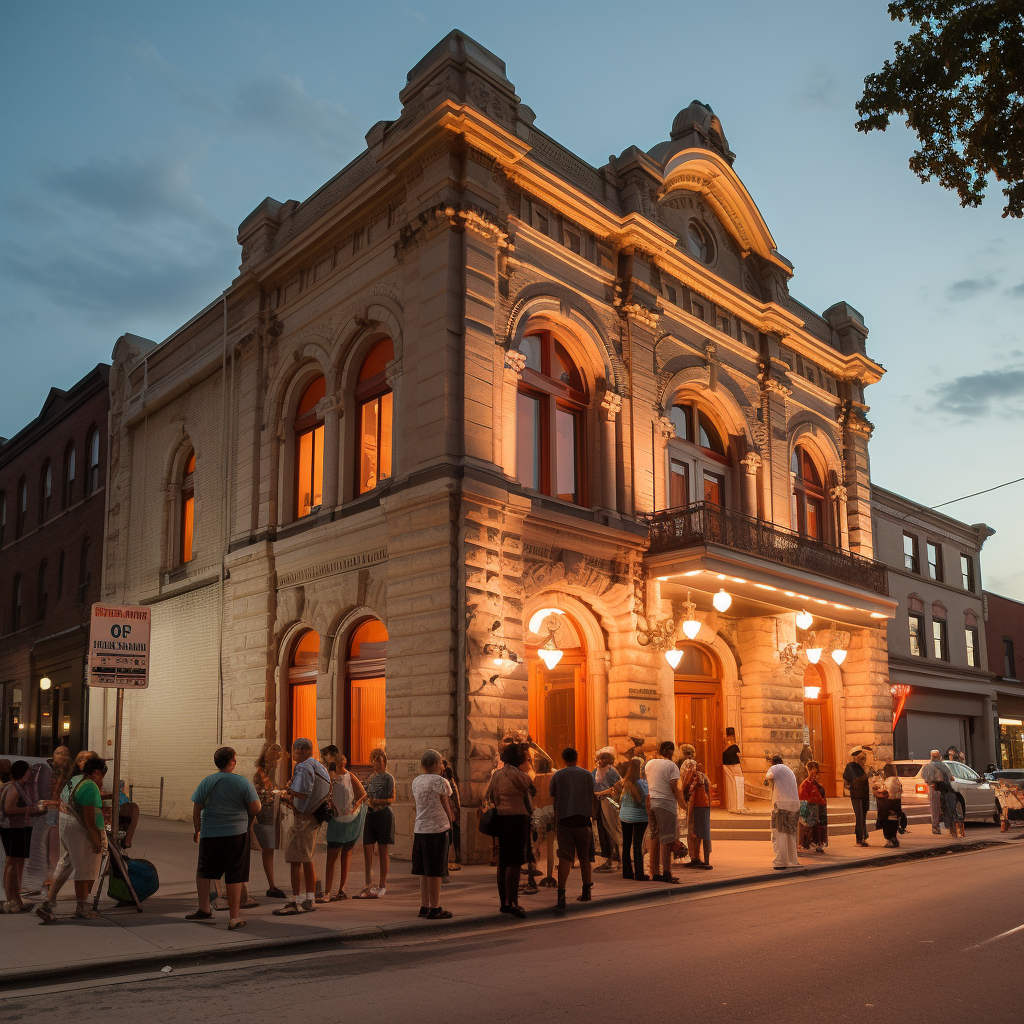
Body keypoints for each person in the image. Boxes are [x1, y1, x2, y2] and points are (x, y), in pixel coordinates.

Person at [185, 746, 261, 930]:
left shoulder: (207, 781)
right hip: (236, 832)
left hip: (210, 832)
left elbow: (197, 806)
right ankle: (234, 917)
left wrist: (197, 829)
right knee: (235, 873)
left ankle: (204, 908)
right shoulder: (241, 782)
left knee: (205, 870)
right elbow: (255, 808)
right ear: (231, 762)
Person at [35, 757, 108, 921]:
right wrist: (96, 839)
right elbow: (89, 819)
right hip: (81, 830)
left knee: (65, 862)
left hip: (67, 825)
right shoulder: (89, 786)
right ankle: (82, 907)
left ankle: (48, 903)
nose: (101, 780)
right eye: (101, 776)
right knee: (85, 870)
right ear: (96, 771)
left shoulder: (75, 780)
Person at [274, 737, 331, 914]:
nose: (294, 755)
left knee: (295, 859)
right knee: (308, 858)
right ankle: (309, 898)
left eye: (297, 752)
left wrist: (286, 793)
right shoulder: (319, 765)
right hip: (314, 818)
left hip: (303, 819)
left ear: (307, 751)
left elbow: (303, 793)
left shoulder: (303, 766)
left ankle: (295, 901)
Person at [485, 742, 534, 918]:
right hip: (517, 819)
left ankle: (503, 902)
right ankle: (513, 902)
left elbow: (491, 796)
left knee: (503, 862)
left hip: (501, 818)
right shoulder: (519, 775)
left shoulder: (497, 775)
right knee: (515, 862)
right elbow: (531, 787)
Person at [548, 746, 599, 914]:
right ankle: (586, 892)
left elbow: (552, 792)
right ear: (576, 758)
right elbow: (592, 793)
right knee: (585, 857)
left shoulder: (558, 775)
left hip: (564, 820)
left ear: (564, 759)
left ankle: (561, 895)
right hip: (583, 820)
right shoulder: (586, 774)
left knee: (565, 857)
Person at [412, 748, 455, 920]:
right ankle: (435, 907)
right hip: (437, 828)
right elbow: (445, 801)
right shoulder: (440, 781)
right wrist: (451, 821)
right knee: (436, 870)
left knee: (423, 870)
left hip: (420, 828)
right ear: (437, 764)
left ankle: (424, 905)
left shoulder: (416, 781)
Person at [322, 748, 367, 901]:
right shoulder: (329, 776)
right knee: (332, 854)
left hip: (350, 819)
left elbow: (363, 794)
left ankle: (341, 889)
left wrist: (356, 805)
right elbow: (326, 794)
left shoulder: (349, 775)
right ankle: (327, 892)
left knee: (346, 852)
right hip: (337, 819)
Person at [2, 760, 46, 912]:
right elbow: (9, 808)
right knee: (12, 862)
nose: (30, 774)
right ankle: (10, 900)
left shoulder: (19, 787)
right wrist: (29, 810)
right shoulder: (13, 788)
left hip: (21, 827)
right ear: (22, 772)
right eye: (28, 771)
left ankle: (17, 898)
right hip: (13, 828)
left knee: (18, 863)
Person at [355, 747, 395, 898]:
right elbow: (365, 794)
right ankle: (368, 883)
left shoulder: (388, 778)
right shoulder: (371, 777)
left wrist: (379, 801)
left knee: (383, 850)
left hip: (383, 815)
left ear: (384, 761)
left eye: (379, 760)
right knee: (367, 849)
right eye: (374, 759)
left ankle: (382, 884)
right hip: (370, 815)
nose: (376, 763)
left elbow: (392, 798)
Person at [646, 740, 686, 883]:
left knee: (654, 838)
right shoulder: (672, 766)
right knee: (667, 839)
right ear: (672, 752)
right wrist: (683, 804)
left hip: (652, 803)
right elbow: (674, 787)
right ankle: (667, 872)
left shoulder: (649, 764)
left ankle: (654, 871)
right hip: (666, 804)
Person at [252, 742, 286, 898]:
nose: (276, 763)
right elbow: (265, 793)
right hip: (265, 814)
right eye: (275, 760)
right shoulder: (261, 774)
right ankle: (271, 886)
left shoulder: (269, 773)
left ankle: (272, 885)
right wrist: (278, 793)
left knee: (270, 849)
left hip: (271, 813)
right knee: (268, 849)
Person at [614, 757, 649, 880]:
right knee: (638, 844)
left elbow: (615, 795)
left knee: (626, 844)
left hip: (625, 816)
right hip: (640, 817)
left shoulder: (623, 783)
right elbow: (642, 799)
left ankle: (627, 872)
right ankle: (639, 873)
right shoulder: (642, 783)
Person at [764, 755, 800, 869]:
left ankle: (781, 861)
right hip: (794, 805)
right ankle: (793, 860)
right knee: (791, 834)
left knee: (780, 833)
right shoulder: (789, 770)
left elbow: (767, 779)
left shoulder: (774, 768)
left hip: (782, 804)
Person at [592, 748, 622, 873]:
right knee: (604, 829)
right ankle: (610, 857)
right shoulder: (596, 772)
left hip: (609, 803)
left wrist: (600, 793)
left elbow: (617, 788)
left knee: (612, 829)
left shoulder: (611, 772)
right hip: (599, 803)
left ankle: (618, 859)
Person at [530, 755, 557, 887]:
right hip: (551, 811)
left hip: (538, 812)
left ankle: (532, 869)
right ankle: (549, 875)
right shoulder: (553, 777)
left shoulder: (535, 778)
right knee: (550, 846)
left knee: (536, 844)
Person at [680, 759, 713, 869]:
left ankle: (696, 858)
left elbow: (686, 790)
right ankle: (697, 858)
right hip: (703, 806)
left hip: (697, 807)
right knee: (699, 833)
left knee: (696, 833)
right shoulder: (702, 777)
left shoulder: (695, 778)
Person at [798, 760, 828, 853]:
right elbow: (805, 796)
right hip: (812, 807)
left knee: (817, 826)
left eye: (814, 769)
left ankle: (817, 844)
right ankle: (810, 844)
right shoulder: (807, 782)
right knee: (810, 826)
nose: (812, 771)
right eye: (811, 769)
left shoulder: (815, 782)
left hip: (818, 806)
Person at [843, 747, 871, 847]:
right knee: (859, 816)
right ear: (856, 757)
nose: (863, 761)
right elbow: (854, 780)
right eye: (862, 758)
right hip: (856, 795)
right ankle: (860, 838)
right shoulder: (851, 766)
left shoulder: (863, 767)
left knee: (863, 816)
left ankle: (863, 835)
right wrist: (866, 777)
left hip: (863, 794)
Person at [921, 750, 952, 835]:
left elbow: (924, 777)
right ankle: (939, 826)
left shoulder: (929, 766)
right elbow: (950, 776)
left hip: (935, 788)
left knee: (936, 808)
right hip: (939, 788)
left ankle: (937, 826)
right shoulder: (940, 766)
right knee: (940, 808)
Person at [874, 763, 903, 847]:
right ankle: (893, 837)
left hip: (888, 803)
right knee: (894, 821)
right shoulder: (897, 780)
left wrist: (877, 792)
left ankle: (890, 839)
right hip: (896, 803)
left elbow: (887, 792)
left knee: (888, 823)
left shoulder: (890, 780)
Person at [442, 759, 462, 873]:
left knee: (450, 837)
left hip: (451, 812)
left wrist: (453, 812)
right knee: (453, 836)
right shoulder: (451, 780)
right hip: (453, 812)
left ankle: (451, 861)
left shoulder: (447, 781)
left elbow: (451, 799)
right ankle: (453, 860)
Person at [722, 727, 748, 812]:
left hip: (727, 767)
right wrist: (744, 761)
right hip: (734, 767)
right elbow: (739, 755)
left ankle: (736, 805)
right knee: (738, 784)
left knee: (733, 785)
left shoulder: (724, 748)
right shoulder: (734, 746)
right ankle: (738, 806)